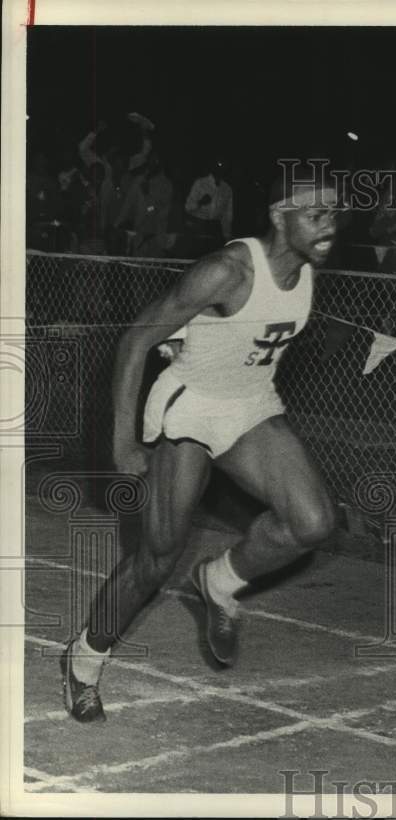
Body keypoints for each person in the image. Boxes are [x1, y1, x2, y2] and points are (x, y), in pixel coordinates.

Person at [60, 171, 343, 722]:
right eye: (316, 214)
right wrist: (122, 442)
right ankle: (85, 658)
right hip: (188, 406)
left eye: (335, 213)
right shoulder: (227, 270)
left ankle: (219, 579)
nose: (329, 226)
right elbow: (137, 337)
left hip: (249, 404)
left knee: (312, 523)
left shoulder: (308, 269)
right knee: (156, 558)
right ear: (279, 215)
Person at [115, 152, 174, 257]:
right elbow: (127, 205)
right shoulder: (139, 181)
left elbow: (156, 211)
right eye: (150, 160)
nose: (152, 163)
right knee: (137, 269)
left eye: (155, 161)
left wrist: (147, 196)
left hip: (157, 236)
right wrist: (116, 225)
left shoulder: (166, 185)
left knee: (154, 270)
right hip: (139, 234)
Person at [184, 158, 235, 256]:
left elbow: (227, 217)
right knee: (196, 259)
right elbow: (188, 207)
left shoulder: (227, 189)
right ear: (213, 167)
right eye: (218, 165)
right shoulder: (200, 183)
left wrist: (227, 237)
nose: (220, 168)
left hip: (215, 228)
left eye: (223, 166)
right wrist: (200, 203)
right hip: (198, 225)